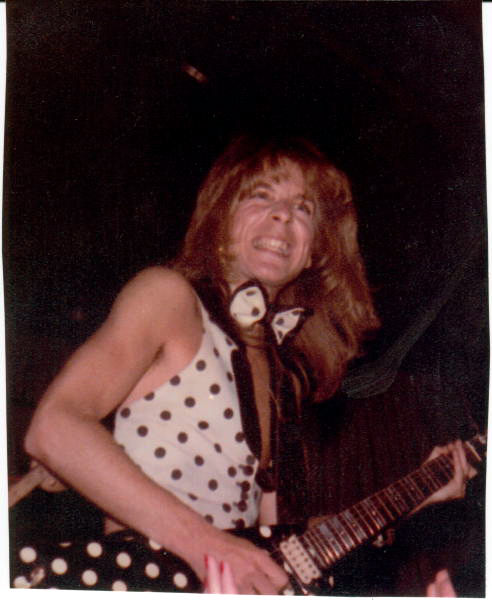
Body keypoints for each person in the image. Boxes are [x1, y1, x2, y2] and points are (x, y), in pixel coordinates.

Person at [19, 135, 474, 594]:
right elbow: (54, 427)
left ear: (314, 251)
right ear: (221, 219)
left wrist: (414, 498)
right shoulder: (170, 298)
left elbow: (283, 549)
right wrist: (210, 548)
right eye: (261, 196)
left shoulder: (284, 377)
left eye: (304, 208)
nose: (284, 215)